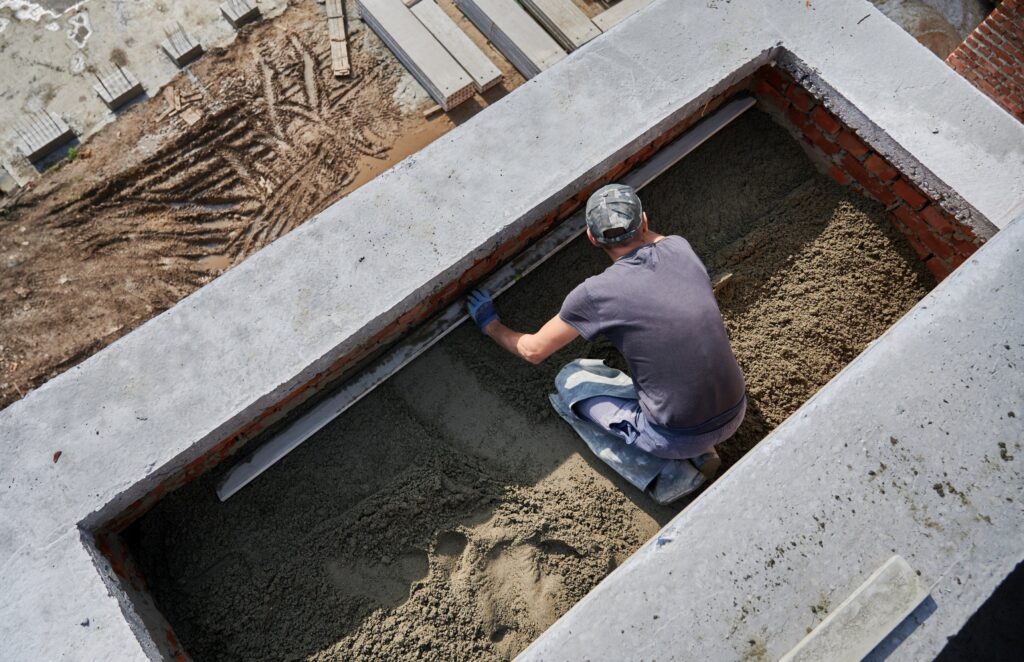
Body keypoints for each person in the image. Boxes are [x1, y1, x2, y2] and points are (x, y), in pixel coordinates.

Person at [466, 183, 746, 504]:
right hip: (736, 408)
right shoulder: (679, 247)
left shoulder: (595, 294)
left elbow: (533, 350)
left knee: (570, 383)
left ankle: (669, 476)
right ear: (644, 221)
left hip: (677, 436)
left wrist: (491, 325)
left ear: (591, 238)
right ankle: (700, 448)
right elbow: (654, 239)